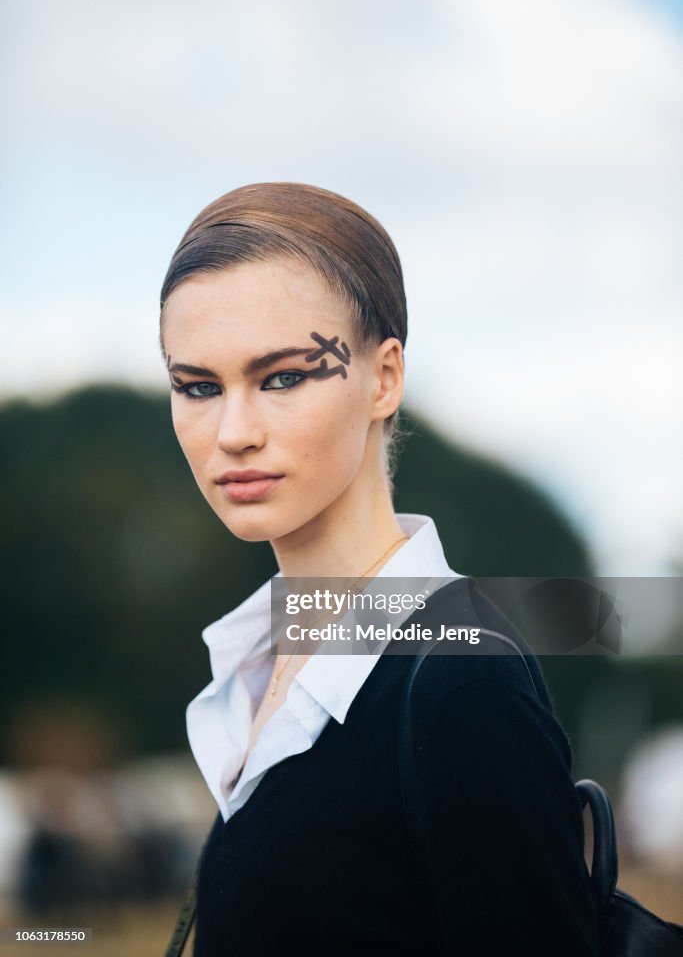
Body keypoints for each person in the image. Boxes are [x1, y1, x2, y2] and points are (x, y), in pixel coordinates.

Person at [159, 182, 601, 955]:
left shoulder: (459, 683)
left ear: (384, 378)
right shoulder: (262, 662)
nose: (232, 432)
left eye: (284, 377)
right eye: (197, 386)